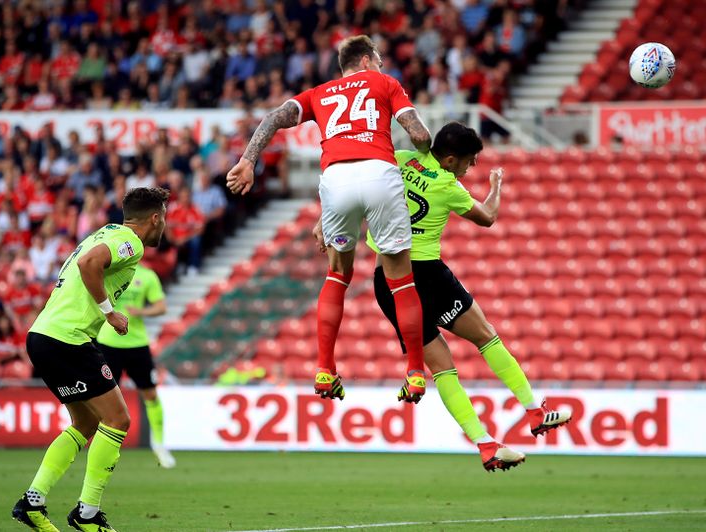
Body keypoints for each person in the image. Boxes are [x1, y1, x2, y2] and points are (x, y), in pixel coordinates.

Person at [315, 122, 571, 470]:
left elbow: (356, 186)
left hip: (386, 283)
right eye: (469, 162)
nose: (470, 168)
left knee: (443, 370)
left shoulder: (400, 160)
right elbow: (488, 218)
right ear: (450, 160)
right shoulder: (449, 186)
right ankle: (534, 411)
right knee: (486, 337)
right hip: (428, 275)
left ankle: (485, 445)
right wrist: (495, 187)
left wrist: (324, 218)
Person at [227, 35, 433, 403]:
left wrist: (248, 160)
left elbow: (273, 117)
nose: (382, 66)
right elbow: (418, 134)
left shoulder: (319, 93)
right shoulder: (385, 83)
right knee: (401, 279)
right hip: (380, 174)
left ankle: (325, 369)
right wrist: (425, 151)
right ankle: (416, 372)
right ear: (368, 60)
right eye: (380, 60)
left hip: (335, 181)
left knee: (337, 274)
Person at [11, 187, 169, 532]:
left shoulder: (106, 232)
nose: (164, 227)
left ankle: (32, 502)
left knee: (84, 424)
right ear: (155, 218)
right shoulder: (130, 241)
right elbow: (88, 263)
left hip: (43, 336)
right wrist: (110, 313)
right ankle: (87, 513)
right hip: (67, 339)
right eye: (164, 219)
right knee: (118, 420)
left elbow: (87, 260)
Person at [96, 262, 174, 469]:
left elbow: (161, 306)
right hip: (108, 342)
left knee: (151, 395)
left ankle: (159, 445)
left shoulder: (147, 275)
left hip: (137, 343)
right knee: (106, 398)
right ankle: (104, 447)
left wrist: (141, 311)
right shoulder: (109, 272)